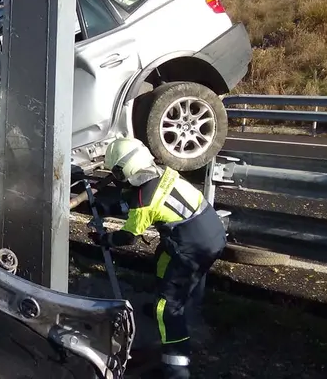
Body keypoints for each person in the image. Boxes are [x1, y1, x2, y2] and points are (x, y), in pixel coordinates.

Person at [89, 137, 226, 379]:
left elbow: (127, 237)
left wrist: (104, 240)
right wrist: (107, 209)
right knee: (164, 260)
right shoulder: (162, 174)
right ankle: (183, 305)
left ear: (123, 172)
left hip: (192, 246)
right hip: (211, 232)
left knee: (168, 306)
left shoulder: (145, 200)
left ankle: (176, 365)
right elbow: (135, 203)